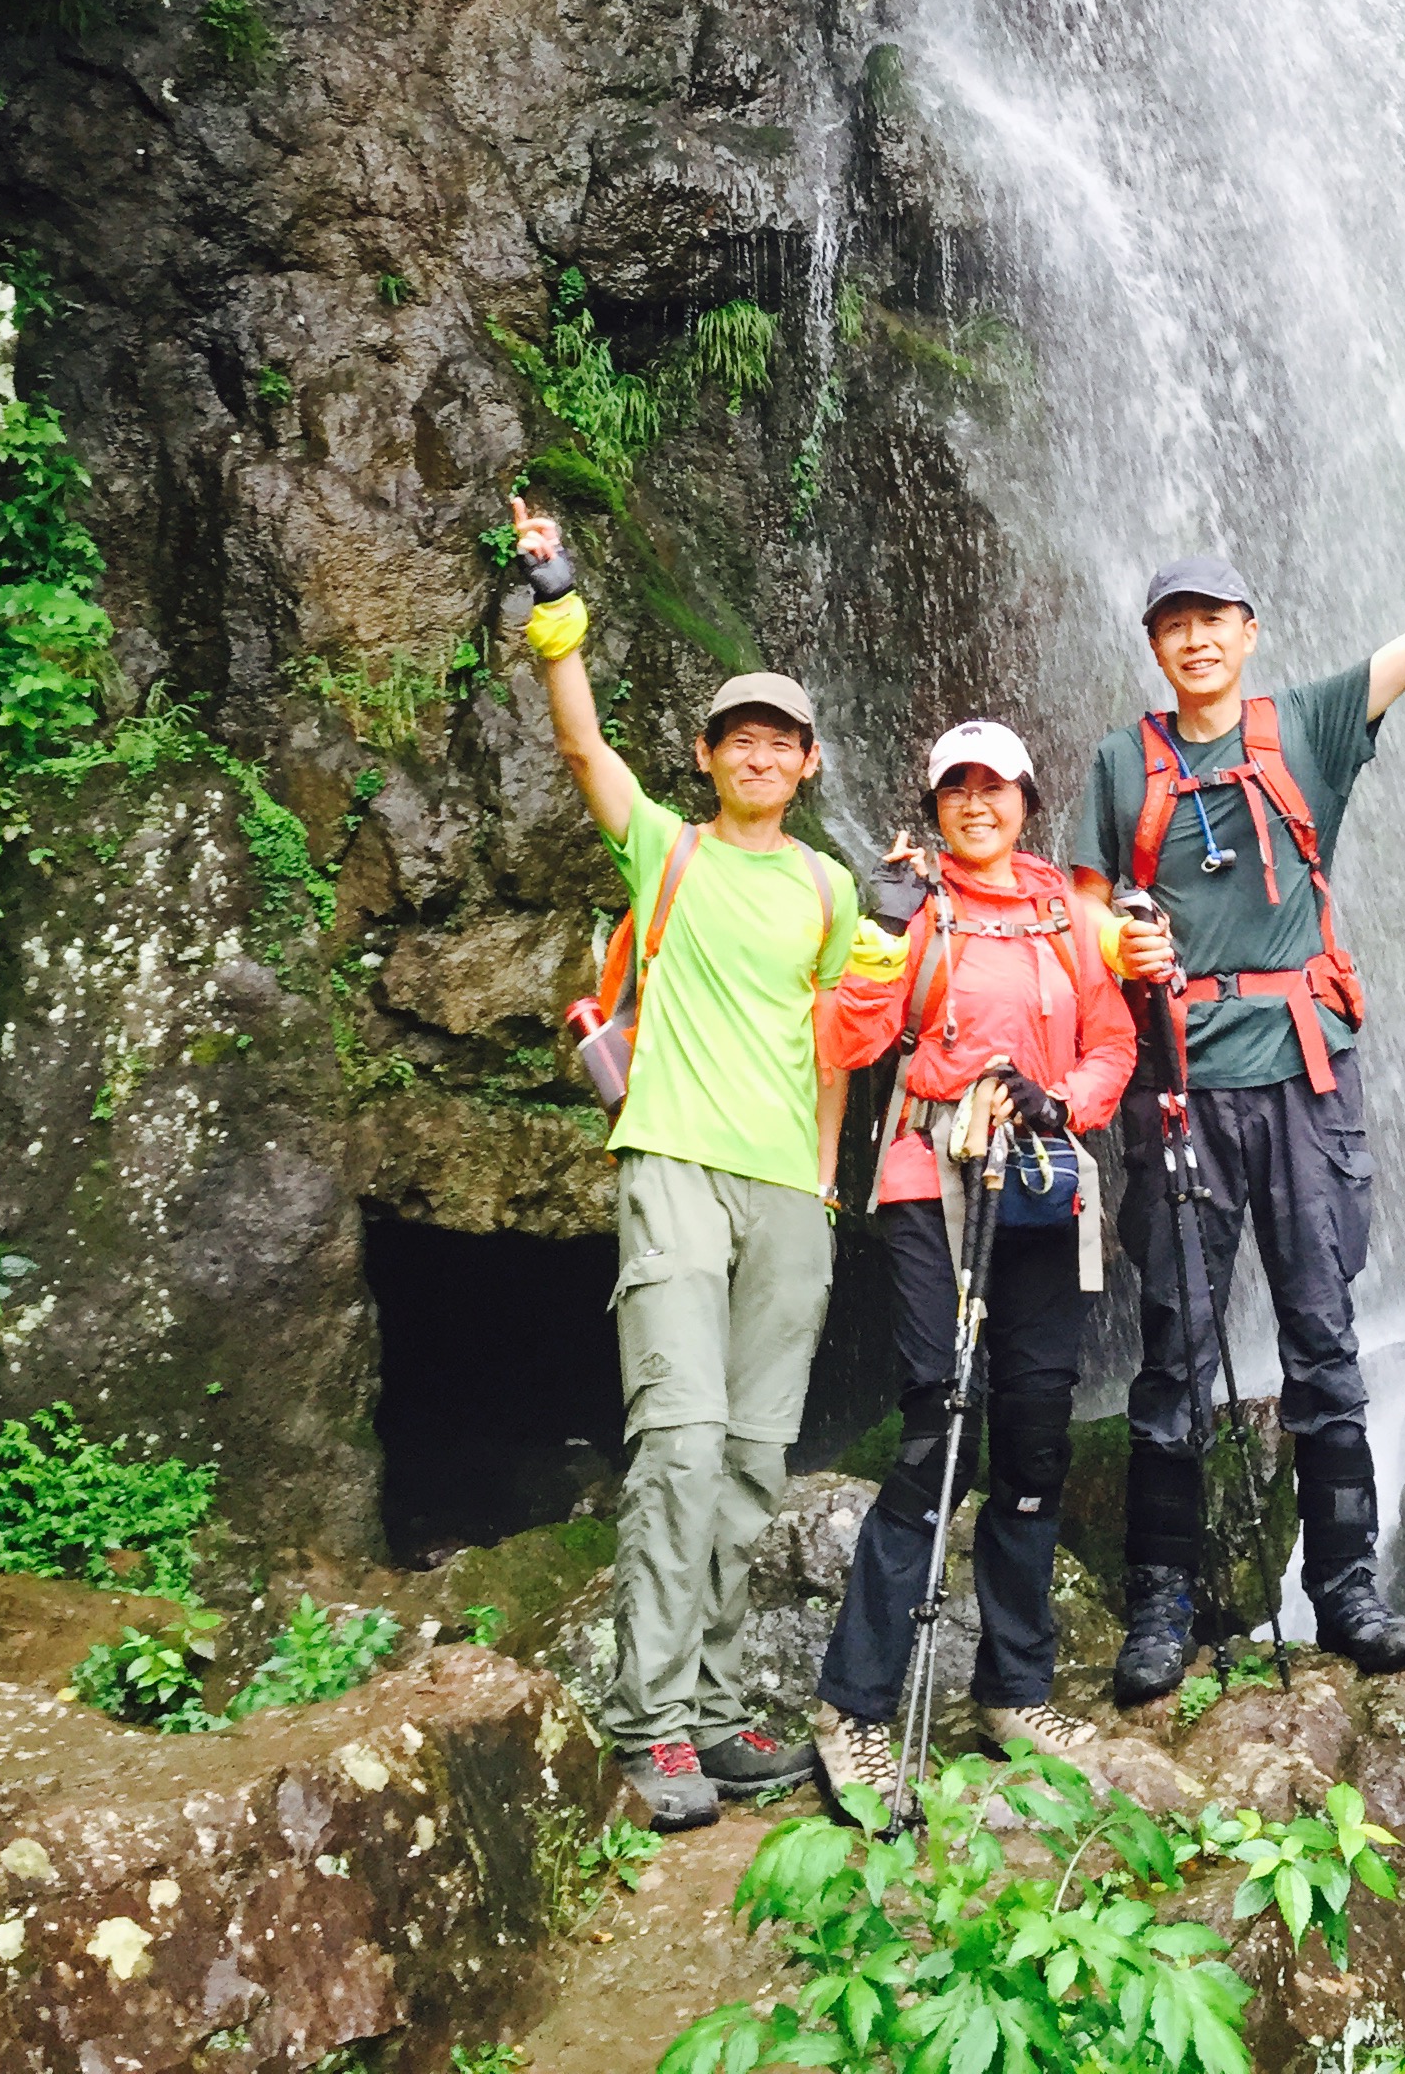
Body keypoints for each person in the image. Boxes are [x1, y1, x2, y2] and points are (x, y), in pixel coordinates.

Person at [1070, 459, 1405, 1705]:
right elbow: (1083, 910)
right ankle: (1161, 1604)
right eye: (1175, 624)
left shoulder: (1308, 730)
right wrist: (1120, 943)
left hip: (1304, 1079)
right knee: (1173, 1353)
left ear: (1249, 633)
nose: (1197, 639)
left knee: (1322, 1339)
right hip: (1178, 1086)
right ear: (1154, 645)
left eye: (1215, 619)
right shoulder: (1120, 764)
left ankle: (1347, 1590)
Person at [510, 496, 859, 1829]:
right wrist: (557, 600)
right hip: (673, 1165)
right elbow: (581, 742)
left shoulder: (829, 892)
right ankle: (649, 1723)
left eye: (781, 740)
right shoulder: (667, 848)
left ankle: (714, 1710)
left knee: (755, 1455)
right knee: (680, 1442)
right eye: (738, 738)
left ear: (808, 765)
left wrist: (822, 1177)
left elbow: (842, 1037)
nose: (759, 755)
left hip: (788, 1194)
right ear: (709, 758)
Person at [810, 719, 1136, 1823]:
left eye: (995, 787)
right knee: (938, 1428)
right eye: (957, 788)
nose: (976, 803)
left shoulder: (1065, 914)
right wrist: (878, 932)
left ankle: (1015, 1691)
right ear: (937, 804)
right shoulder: (915, 908)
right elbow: (853, 1043)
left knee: (1036, 1431)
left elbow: (1113, 1044)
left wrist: (1064, 1100)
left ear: (1027, 802)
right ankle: (855, 1708)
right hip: (928, 1181)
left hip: (1042, 1183)